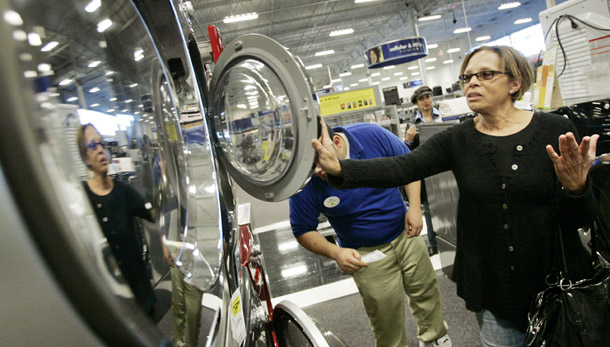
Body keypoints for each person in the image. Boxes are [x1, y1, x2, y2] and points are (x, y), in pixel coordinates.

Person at [311, 45, 600, 347]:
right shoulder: (457, 139)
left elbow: (581, 218)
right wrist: (340, 169)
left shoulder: (556, 130)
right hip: (494, 292)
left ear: (515, 83)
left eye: (485, 74)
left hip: (557, 284)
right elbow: (401, 167)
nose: (472, 82)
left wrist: (576, 188)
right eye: (467, 77)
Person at [290, 122, 452, 347]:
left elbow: (410, 165)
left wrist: (415, 207)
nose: (317, 170)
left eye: (319, 159)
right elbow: (302, 229)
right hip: (365, 253)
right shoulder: (306, 181)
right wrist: (336, 252)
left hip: (405, 234)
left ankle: (435, 337)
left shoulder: (370, 135)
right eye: (310, 165)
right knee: (384, 311)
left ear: (336, 142)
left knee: (426, 290)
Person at [77, 123, 157, 317]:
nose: (100, 150)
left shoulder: (123, 191)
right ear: (85, 157)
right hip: (110, 302)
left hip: (140, 295)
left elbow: (153, 215)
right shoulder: (82, 198)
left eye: (101, 144)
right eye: (92, 146)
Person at [405, 86, 445, 256]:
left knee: (451, 204)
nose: (426, 101)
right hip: (428, 172)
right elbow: (408, 152)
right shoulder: (413, 125)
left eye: (428, 97)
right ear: (417, 103)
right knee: (429, 209)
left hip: (446, 168)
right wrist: (408, 140)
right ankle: (433, 242)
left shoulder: (444, 116)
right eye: (422, 99)